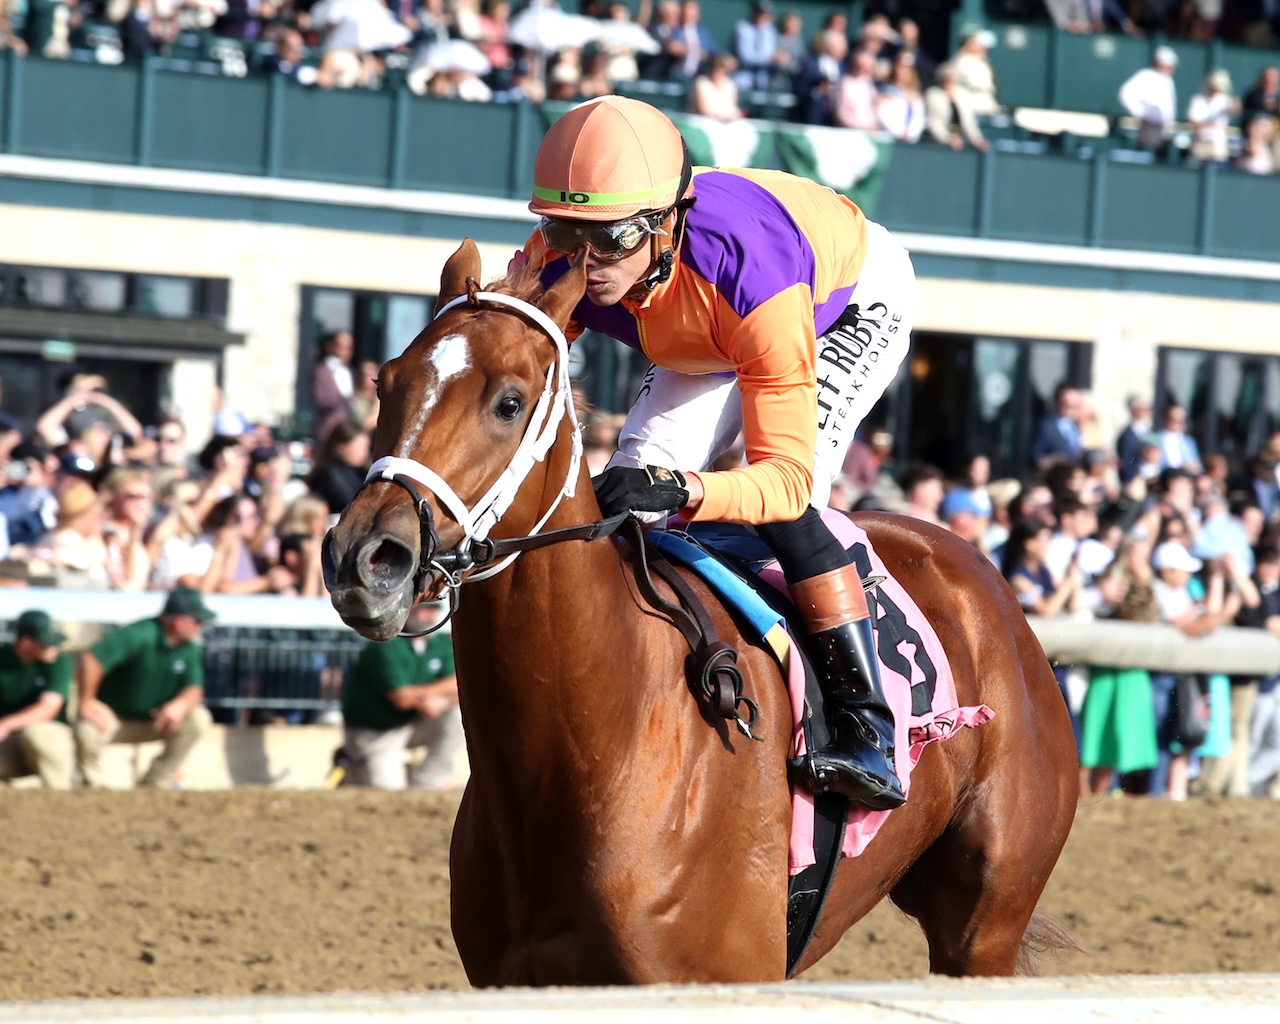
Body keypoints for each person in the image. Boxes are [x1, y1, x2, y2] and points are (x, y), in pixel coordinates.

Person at [518, 96, 917, 809]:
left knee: (788, 506)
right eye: (563, 230)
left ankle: (866, 726)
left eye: (609, 240)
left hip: (832, 301)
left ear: (665, 222)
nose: (584, 260)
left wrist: (683, 489)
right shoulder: (557, 260)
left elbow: (787, 481)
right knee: (622, 491)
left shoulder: (749, 270)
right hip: (697, 326)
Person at [74, 587, 216, 789]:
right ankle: (93, 786)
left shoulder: (189, 647)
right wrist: (86, 703)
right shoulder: (140, 634)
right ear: (180, 621)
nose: (199, 627)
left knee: (198, 719)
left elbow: (194, 688)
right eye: (197, 621)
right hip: (113, 717)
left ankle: (156, 783)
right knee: (86, 729)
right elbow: (92, 659)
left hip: (155, 719)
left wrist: (180, 704)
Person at [340, 601, 463, 790]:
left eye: (433, 608)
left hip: (410, 723)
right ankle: (353, 768)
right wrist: (434, 697)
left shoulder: (438, 643)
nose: (429, 614)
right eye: (424, 608)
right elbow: (401, 699)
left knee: (457, 717)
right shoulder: (385, 643)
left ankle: (428, 781)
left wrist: (437, 701)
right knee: (388, 791)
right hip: (375, 733)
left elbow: (457, 684)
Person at [0, 611, 75, 790]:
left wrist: (6, 724)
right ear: (27, 643)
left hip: (48, 736)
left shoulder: (58, 662)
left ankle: (59, 793)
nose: (55, 648)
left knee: (38, 734)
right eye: (48, 643)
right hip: (8, 742)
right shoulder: (3, 658)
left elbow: (48, 708)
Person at [1119, 46, 1179, 154]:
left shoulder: (1168, 81)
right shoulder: (1146, 76)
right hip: (1149, 128)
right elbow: (1125, 95)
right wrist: (1141, 114)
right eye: (1169, 67)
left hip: (1164, 129)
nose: (1171, 70)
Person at [1187, 70, 1239, 165]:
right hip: (1200, 143)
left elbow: (1235, 110)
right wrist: (1212, 126)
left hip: (1218, 145)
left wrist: (1235, 106)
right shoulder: (1198, 100)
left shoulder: (1225, 100)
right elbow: (1194, 123)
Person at [1030, 384, 1086, 467]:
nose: (1073, 410)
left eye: (1077, 406)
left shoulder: (1078, 425)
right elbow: (1036, 456)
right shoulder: (1046, 426)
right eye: (1069, 405)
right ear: (1059, 403)